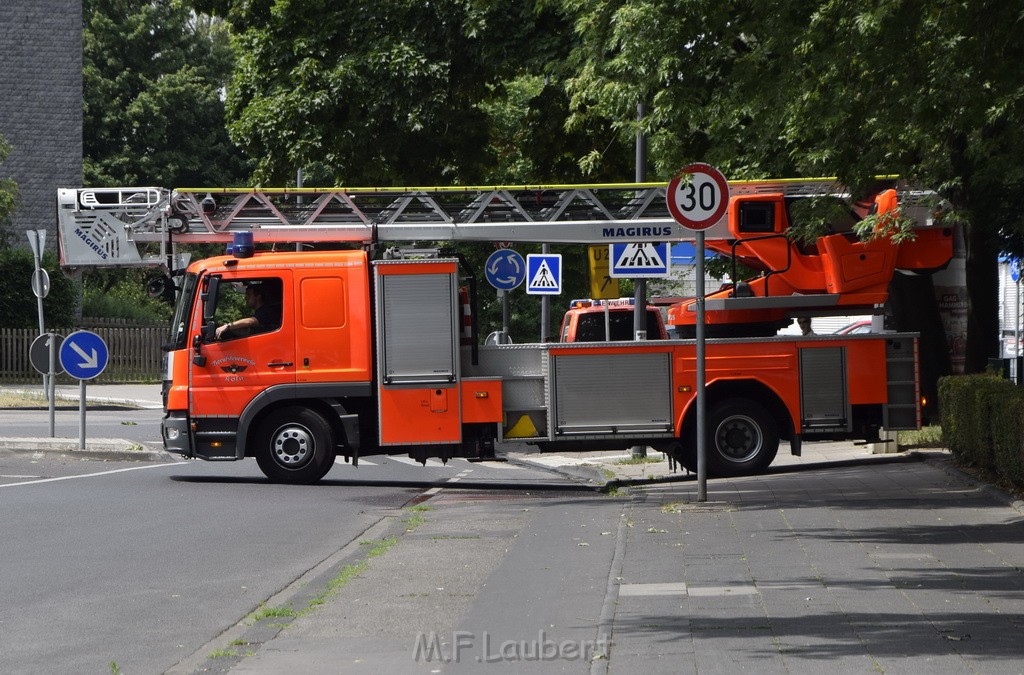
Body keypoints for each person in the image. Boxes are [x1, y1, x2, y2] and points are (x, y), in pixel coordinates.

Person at [216, 282, 281, 339]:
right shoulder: (260, 312)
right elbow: (249, 331)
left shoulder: (266, 312)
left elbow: (250, 321)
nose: (245, 297)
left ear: (258, 297)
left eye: (249, 295)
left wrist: (227, 326)